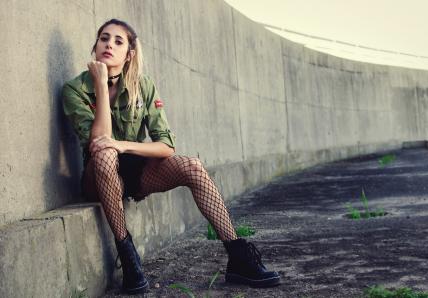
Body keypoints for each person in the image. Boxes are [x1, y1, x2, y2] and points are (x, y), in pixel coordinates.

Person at [62, 18, 280, 294]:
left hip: (133, 171)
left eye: (119, 41)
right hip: (98, 178)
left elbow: (166, 145)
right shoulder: (75, 89)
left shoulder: (143, 85)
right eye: (104, 38)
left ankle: (239, 256)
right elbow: (96, 141)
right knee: (105, 154)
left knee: (193, 166)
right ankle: (128, 258)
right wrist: (102, 86)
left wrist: (124, 145)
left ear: (129, 54)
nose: (109, 45)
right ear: (95, 46)